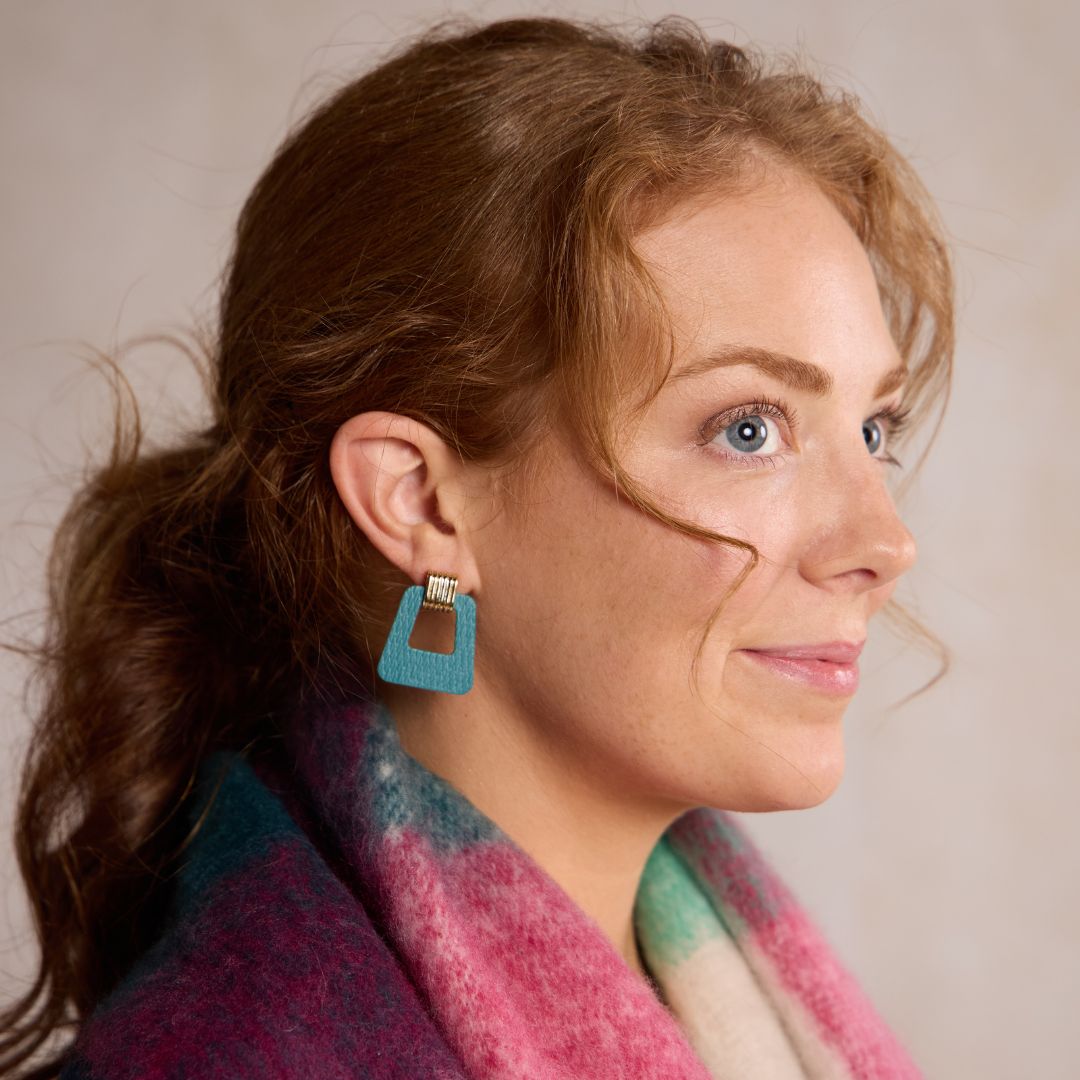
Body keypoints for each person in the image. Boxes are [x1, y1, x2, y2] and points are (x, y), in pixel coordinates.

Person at [1, 13, 953, 1079]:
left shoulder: (737, 1003)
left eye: (874, 430)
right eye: (748, 430)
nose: (885, 542)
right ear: (419, 503)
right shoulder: (231, 1058)